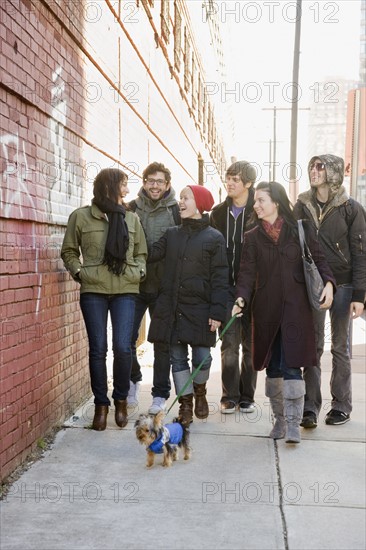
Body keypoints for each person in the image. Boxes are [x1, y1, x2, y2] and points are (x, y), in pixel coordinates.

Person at [232, 181, 336, 443]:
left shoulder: (300, 229)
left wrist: (330, 285)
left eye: (260, 200)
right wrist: (241, 298)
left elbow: (320, 258)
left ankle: (292, 424)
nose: (255, 205)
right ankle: (279, 421)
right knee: (273, 367)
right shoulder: (252, 236)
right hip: (266, 312)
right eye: (255, 201)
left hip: (295, 310)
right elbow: (245, 273)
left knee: (292, 365)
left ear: (276, 202)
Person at [61, 168, 147, 431]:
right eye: (123, 185)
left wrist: (139, 270)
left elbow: (142, 252)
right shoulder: (81, 217)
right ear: (109, 187)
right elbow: (69, 250)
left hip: (125, 289)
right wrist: (78, 271)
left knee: (123, 347)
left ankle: (120, 400)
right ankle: (101, 405)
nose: (128, 191)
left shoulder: (131, 220)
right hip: (94, 290)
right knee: (98, 349)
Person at [293, 155, 366, 428]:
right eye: (311, 166)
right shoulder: (301, 206)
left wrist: (360, 295)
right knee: (312, 346)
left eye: (320, 167)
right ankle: (309, 407)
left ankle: (341, 405)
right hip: (313, 285)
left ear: (333, 173)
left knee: (340, 347)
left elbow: (361, 254)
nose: (313, 171)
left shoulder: (351, 209)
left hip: (345, 286)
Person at [148, 185, 229, 426]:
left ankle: (200, 391)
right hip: (172, 307)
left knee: (203, 358)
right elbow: (151, 254)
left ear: (200, 204)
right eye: (180, 198)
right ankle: (185, 405)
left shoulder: (214, 238)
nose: (180, 202)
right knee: (177, 358)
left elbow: (220, 277)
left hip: (201, 309)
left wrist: (217, 312)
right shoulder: (172, 234)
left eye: (186, 198)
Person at [128, 162, 180, 413]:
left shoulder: (176, 211)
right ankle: (134, 379)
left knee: (162, 343)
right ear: (144, 182)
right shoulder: (131, 208)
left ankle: (160, 395)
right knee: (124, 339)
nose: (155, 185)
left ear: (167, 184)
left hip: (163, 287)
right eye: (150, 180)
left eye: (160, 181)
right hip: (134, 286)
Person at [210, 160, 258, 414]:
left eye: (235, 180)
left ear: (248, 183)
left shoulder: (258, 210)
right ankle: (230, 395)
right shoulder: (217, 214)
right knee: (229, 343)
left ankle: (247, 395)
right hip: (227, 288)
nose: (229, 183)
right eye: (228, 178)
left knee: (251, 344)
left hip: (255, 290)